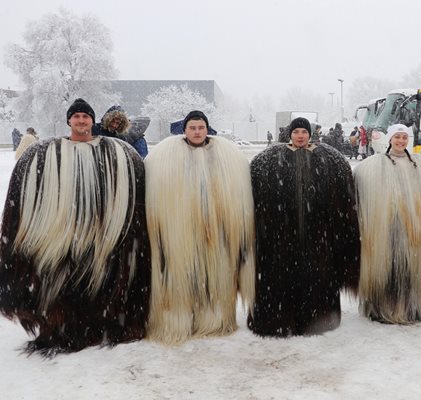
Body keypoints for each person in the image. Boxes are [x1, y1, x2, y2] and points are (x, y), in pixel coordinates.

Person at [0, 98, 150, 355]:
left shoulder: (118, 152)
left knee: (103, 282)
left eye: (86, 116)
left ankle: (106, 323)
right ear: (69, 121)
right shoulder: (46, 153)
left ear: (93, 121)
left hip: (102, 235)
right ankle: (65, 327)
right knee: (66, 286)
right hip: (64, 235)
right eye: (77, 116)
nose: (82, 120)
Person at [145, 110, 255, 344]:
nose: (197, 132)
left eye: (201, 127)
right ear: (184, 130)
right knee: (180, 276)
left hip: (214, 229)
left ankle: (215, 320)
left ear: (207, 129)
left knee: (214, 275)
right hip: (180, 231)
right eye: (192, 128)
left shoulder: (225, 157)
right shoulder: (164, 157)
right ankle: (178, 319)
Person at [247, 117, 360, 337]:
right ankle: (278, 320)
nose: (300, 136)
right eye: (296, 131)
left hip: (316, 234)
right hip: (282, 234)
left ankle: (316, 320)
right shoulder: (271, 159)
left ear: (310, 134)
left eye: (304, 132)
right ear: (290, 134)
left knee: (315, 277)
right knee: (281, 278)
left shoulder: (327, 158)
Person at [354, 124, 421, 324]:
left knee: (410, 267)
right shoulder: (372, 166)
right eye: (397, 137)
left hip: (413, 230)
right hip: (385, 227)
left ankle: (410, 306)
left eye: (404, 137)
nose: (401, 141)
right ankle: (382, 305)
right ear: (390, 139)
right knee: (387, 266)